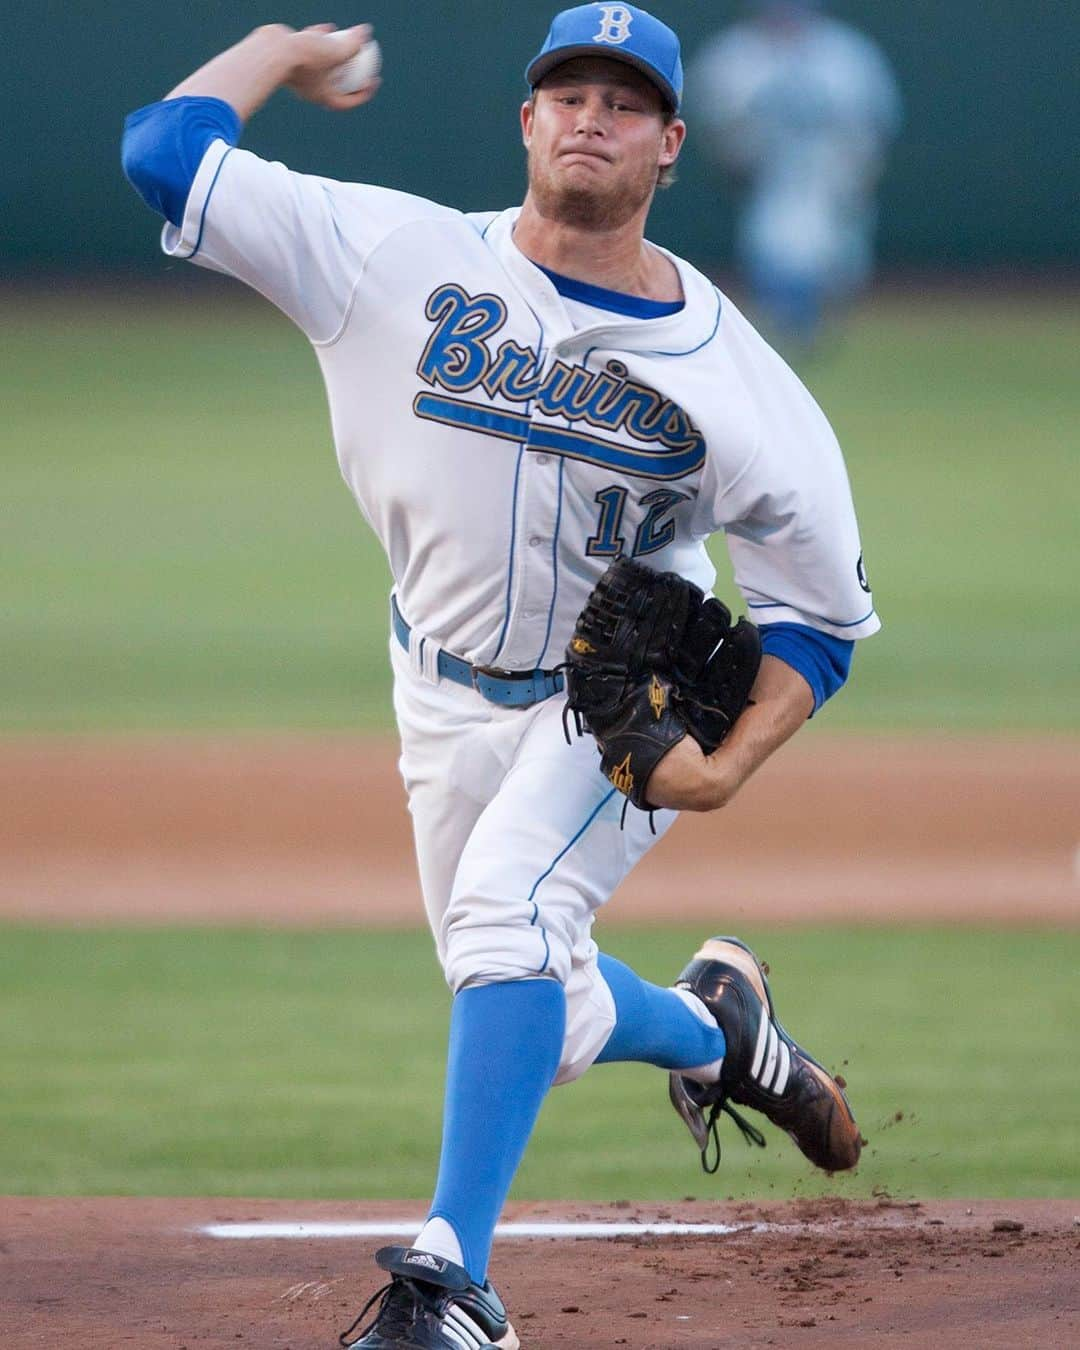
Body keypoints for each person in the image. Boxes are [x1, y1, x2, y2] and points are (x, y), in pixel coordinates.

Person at [121, 6, 879, 1346]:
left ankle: (452, 1282)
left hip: (626, 706)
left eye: (628, 100)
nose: (595, 113)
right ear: (527, 122)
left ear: (672, 144)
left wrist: (727, 765)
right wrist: (282, 49)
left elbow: (819, 617)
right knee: (542, 991)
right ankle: (724, 1031)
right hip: (438, 688)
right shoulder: (390, 253)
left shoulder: (742, 382)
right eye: (569, 91)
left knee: (501, 923)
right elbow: (165, 152)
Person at [689, 0, 901, 347]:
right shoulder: (738, 54)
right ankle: (790, 323)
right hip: (770, 175)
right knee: (773, 243)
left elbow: (874, 125)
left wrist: (858, 171)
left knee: (836, 256)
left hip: (830, 175)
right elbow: (717, 122)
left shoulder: (844, 54)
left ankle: (811, 322)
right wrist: (736, 160)